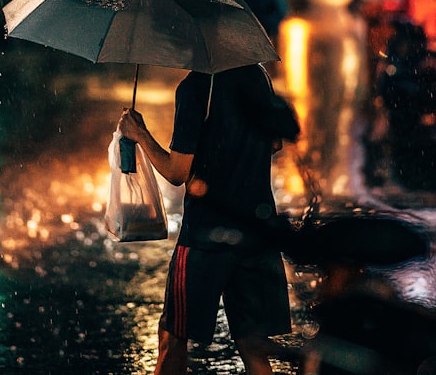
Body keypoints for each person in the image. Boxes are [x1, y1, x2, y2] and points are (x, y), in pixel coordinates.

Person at [118, 63, 300, 375]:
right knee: (252, 344)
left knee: (173, 336)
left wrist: (140, 134)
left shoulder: (195, 87)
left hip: (205, 237)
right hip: (257, 232)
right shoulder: (257, 76)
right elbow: (275, 143)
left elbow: (177, 173)